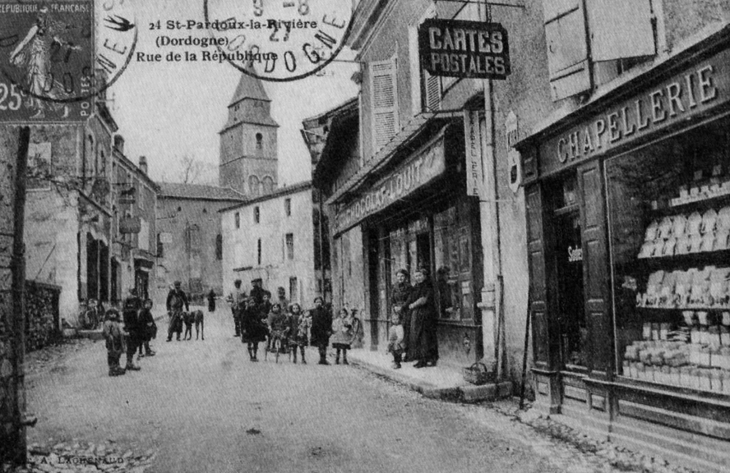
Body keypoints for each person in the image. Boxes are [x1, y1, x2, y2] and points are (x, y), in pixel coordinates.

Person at [406, 268, 439, 368]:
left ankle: (427, 359)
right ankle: (421, 358)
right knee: (418, 336)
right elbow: (411, 298)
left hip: (426, 314)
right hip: (418, 314)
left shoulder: (427, 286)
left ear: (424, 276)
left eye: (420, 275)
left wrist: (413, 305)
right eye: (416, 276)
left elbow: (424, 299)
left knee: (425, 337)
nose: (418, 278)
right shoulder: (416, 286)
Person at [391, 269, 412, 359]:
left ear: (406, 277)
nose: (400, 278)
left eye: (402, 276)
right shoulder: (394, 287)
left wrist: (402, 307)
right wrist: (394, 306)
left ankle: (407, 354)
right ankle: (397, 355)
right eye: (398, 276)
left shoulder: (409, 287)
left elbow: (410, 299)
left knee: (405, 332)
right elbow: (392, 299)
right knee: (396, 333)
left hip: (406, 312)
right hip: (396, 313)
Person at [241, 297, 267, 362]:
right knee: (249, 342)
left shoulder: (256, 310)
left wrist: (261, 320)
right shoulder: (245, 311)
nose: (252, 304)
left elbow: (258, 317)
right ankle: (251, 356)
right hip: (248, 329)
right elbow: (243, 321)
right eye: (251, 303)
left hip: (255, 328)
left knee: (256, 342)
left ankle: (255, 355)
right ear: (248, 303)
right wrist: (243, 329)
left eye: (253, 303)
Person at [122, 295, 144, 372]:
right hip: (133, 330)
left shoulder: (126, 310)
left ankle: (129, 362)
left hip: (131, 330)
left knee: (131, 347)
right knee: (132, 347)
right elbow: (135, 322)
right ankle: (130, 363)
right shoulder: (132, 311)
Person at [102, 308, 126, 377]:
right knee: (111, 354)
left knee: (118, 354)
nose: (113, 315)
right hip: (111, 341)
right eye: (111, 314)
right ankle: (112, 369)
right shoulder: (107, 323)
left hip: (118, 340)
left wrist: (124, 334)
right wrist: (109, 336)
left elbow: (120, 330)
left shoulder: (117, 323)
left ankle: (117, 366)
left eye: (114, 314)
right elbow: (105, 332)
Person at [310, 296, 332, 365]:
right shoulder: (313, 311)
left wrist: (329, 330)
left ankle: (323, 359)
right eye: (317, 302)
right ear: (314, 303)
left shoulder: (326, 311)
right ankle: (321, 359)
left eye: (319, 302)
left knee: (323, 345)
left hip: (324, 331)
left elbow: (329, 321)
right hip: (316, 331)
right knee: (319, 345)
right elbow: (305, 316)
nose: (318, 303)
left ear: (322, 303)